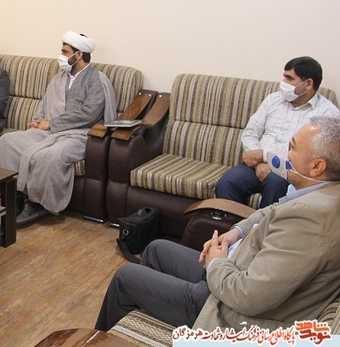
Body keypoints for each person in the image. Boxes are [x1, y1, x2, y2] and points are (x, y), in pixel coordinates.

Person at [95, 116, 340, 332]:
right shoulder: (322, 193)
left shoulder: (309, 220)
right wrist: (237, 232)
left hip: (231, 313)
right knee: (156, 249)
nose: (285, 153)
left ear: (316, 166)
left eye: (292, 147)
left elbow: (248, 296)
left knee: (126, 277)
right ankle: (146, 322)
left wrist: (216, 263)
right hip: (235, 271)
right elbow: (274, 209)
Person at [0, 31, 117, 225]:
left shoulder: (97, 80)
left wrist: (52, 123)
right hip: (50, 131)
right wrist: (39, 121)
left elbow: (89, 114)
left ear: (79, 55)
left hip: (79, 135)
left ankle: (37, 204)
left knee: (49, 155)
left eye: (65, 52)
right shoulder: (59, 78)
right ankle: (16, 196)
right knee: (8, 141)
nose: (61, 56)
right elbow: (44, 104)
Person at [216, 57, 339, 207]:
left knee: (275, 184)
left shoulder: (328, 114)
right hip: (256, 165)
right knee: (228, 182)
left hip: (289, 170)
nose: (283, 82)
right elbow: (250, 133)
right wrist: (259, 162)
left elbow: (313, 154)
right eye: (284, 77)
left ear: (308, 84)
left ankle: (265, 223)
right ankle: (237, 223)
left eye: (289, 78)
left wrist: (264, 155)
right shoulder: (273, 100)